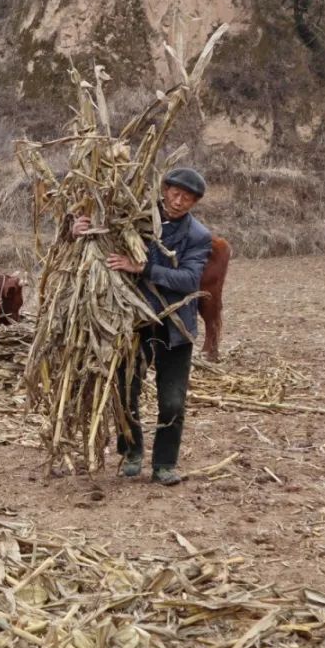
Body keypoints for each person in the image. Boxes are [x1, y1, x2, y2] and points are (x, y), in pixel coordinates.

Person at [71, 167, 212, 485]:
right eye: (175, 193)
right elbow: (101, 236)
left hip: (175, 328)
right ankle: (131, 451)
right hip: (132, 323)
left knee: (172, 400)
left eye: (187, 198)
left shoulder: (198, 236)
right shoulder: (136, 220)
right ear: (164, 190)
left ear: (194, 203)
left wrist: (143, 268)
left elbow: (190, 279)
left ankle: (164, 465)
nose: (178, 201)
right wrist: (77, 230)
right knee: (125, 390)